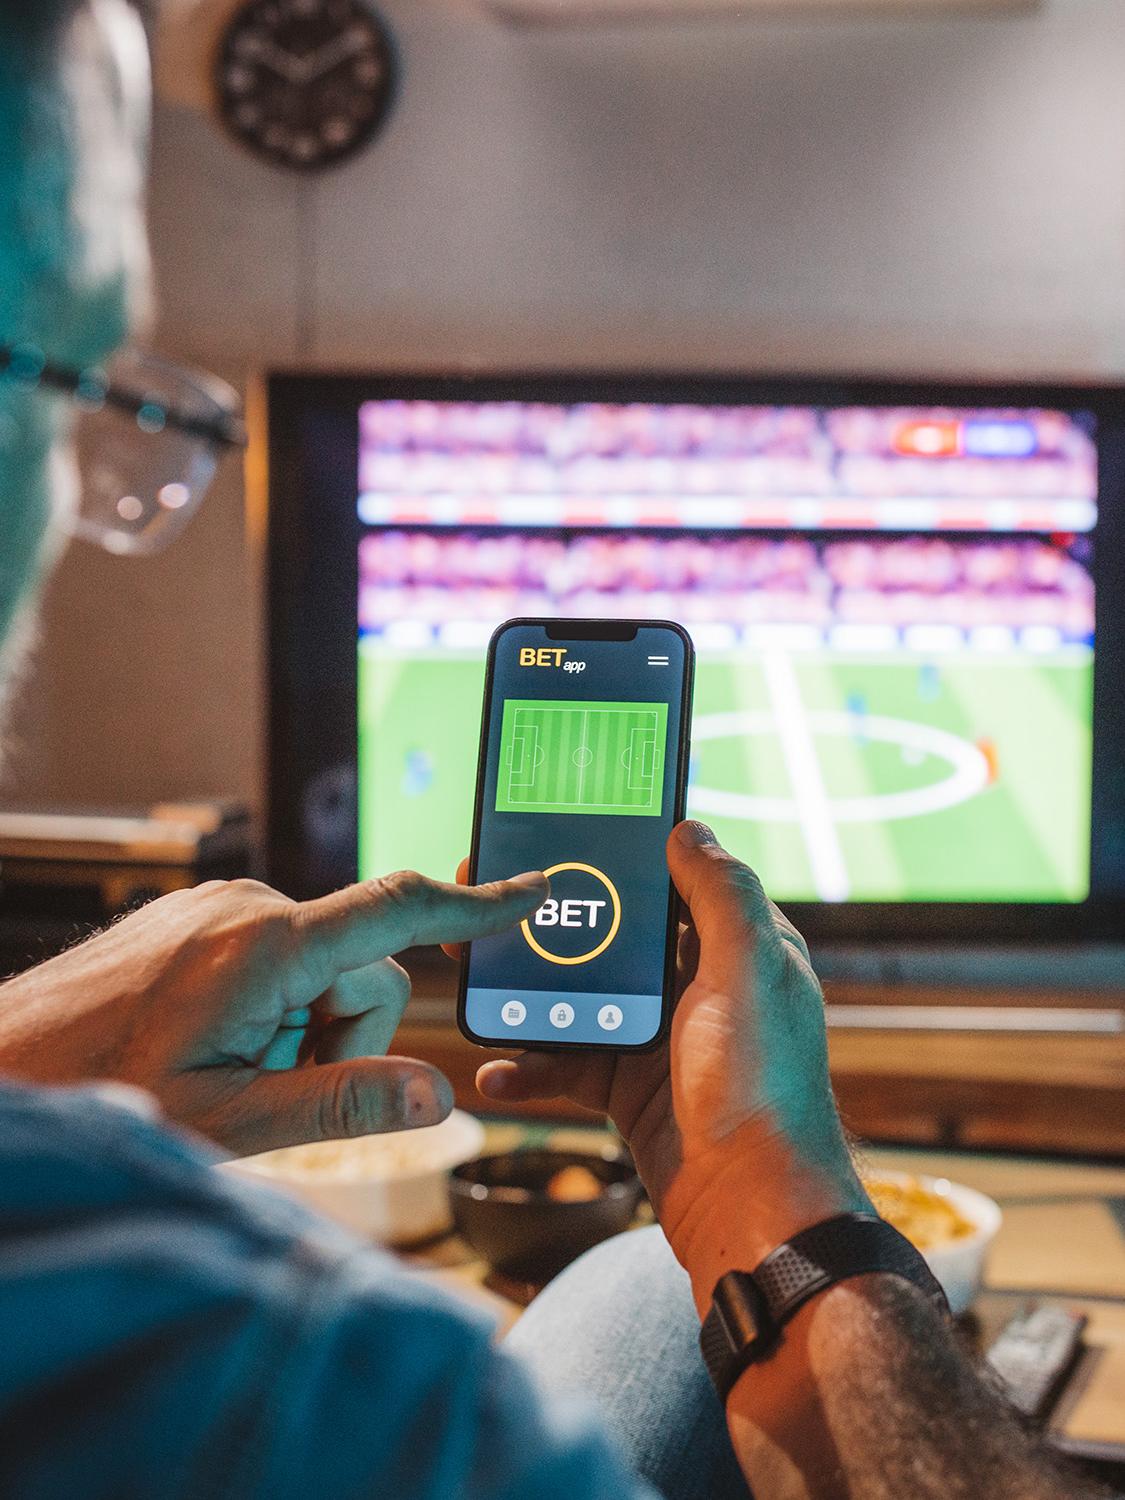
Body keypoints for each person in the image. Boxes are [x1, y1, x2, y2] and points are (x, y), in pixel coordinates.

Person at [0, 5, 1114, 1498]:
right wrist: (762, 1198)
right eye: (73, 383)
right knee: (668, 1286)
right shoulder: (313, 1382)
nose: (80, 495)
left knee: (645, 1296)